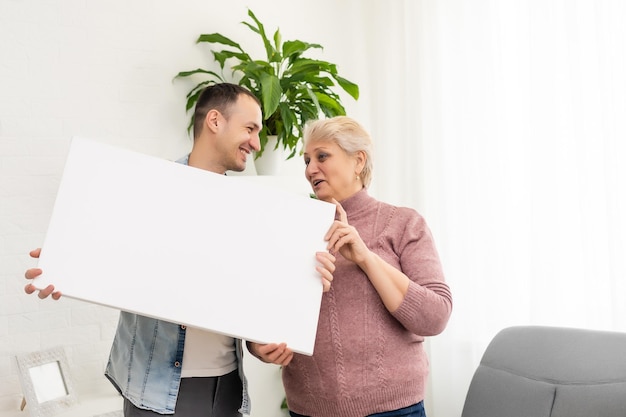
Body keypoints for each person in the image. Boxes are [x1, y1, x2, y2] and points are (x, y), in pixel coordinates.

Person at [23, 83, 336, 417]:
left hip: (227, 391)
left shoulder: (252, 212)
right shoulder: (144, 190)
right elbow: (104, 251)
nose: (257, 143)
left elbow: (246, 298)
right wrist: (64, 266)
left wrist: (262, 345)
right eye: (250, 128)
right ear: (215, 121)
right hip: (152, 389)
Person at [248, 116, 453, 417]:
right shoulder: (291, 228)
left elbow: (435, 317)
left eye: (322, 156)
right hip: (309, 410)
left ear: (359, 161)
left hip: (393, 411)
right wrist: (258, 345)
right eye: (306, 160)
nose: (309, 169)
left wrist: (365, 258)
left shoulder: (404, 223)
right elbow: (259, 310)